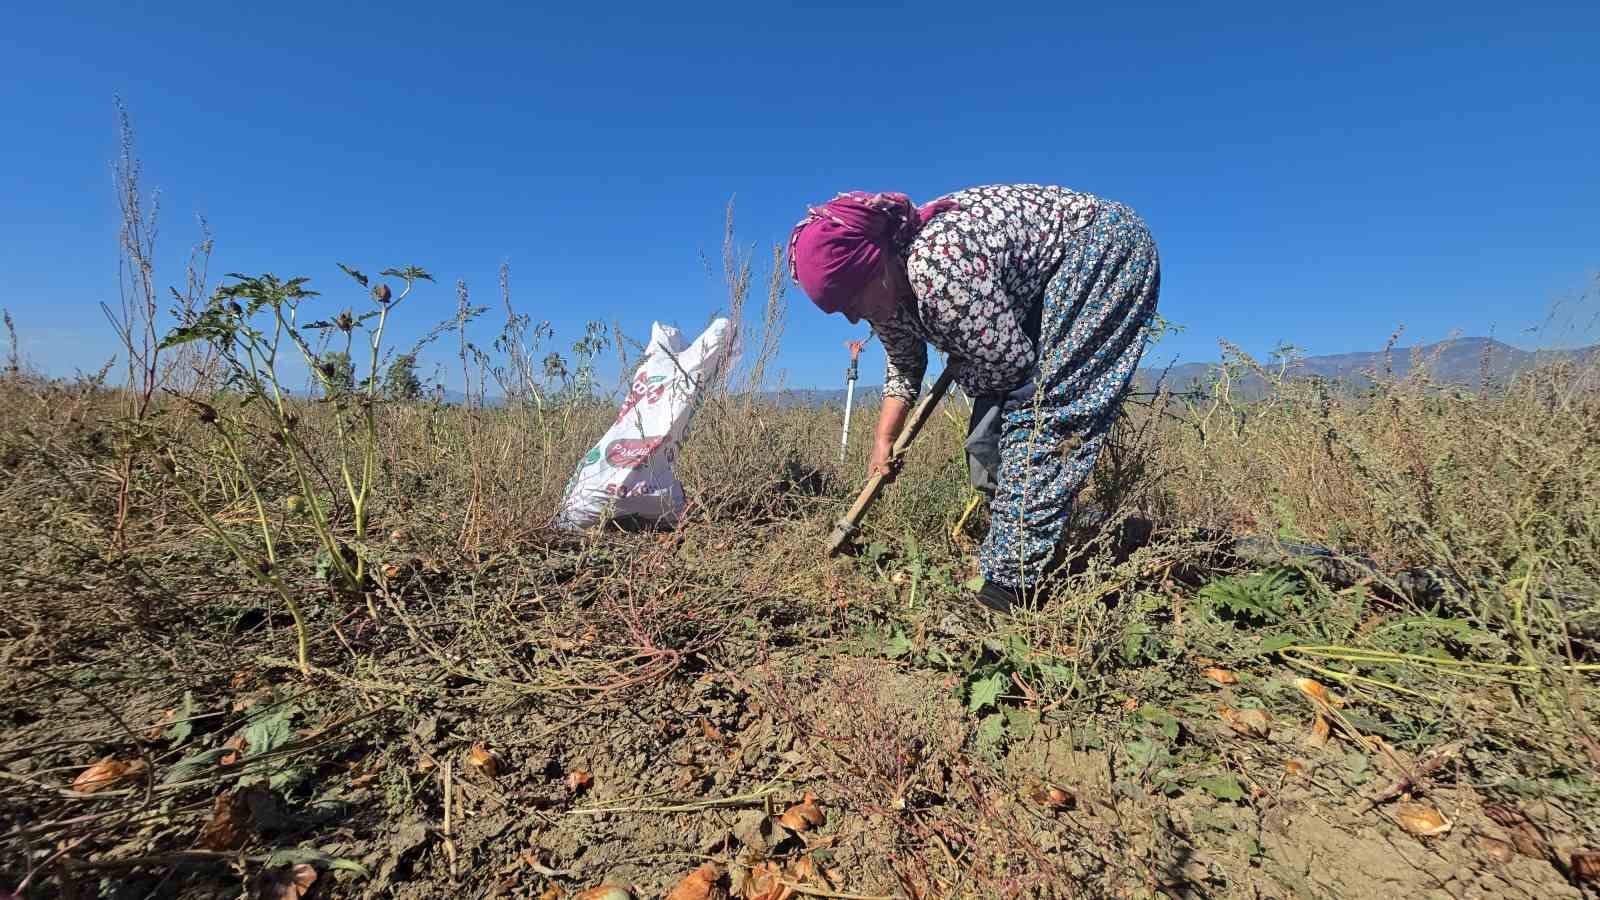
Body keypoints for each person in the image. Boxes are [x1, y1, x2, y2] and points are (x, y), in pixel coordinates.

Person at [788, 185, 1160, 612]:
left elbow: (1012, 367)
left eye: (851, 301)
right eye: (841, 311)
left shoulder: (937, 268)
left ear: (877, 267)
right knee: (987, 447)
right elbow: (905, 366)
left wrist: (965, 353)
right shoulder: (886, 297)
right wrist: (883, 441)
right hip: (1031, 298)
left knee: (1042, 415)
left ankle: (1007, 586)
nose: (853, 316)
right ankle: (1043, 532)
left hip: (1099, 251)